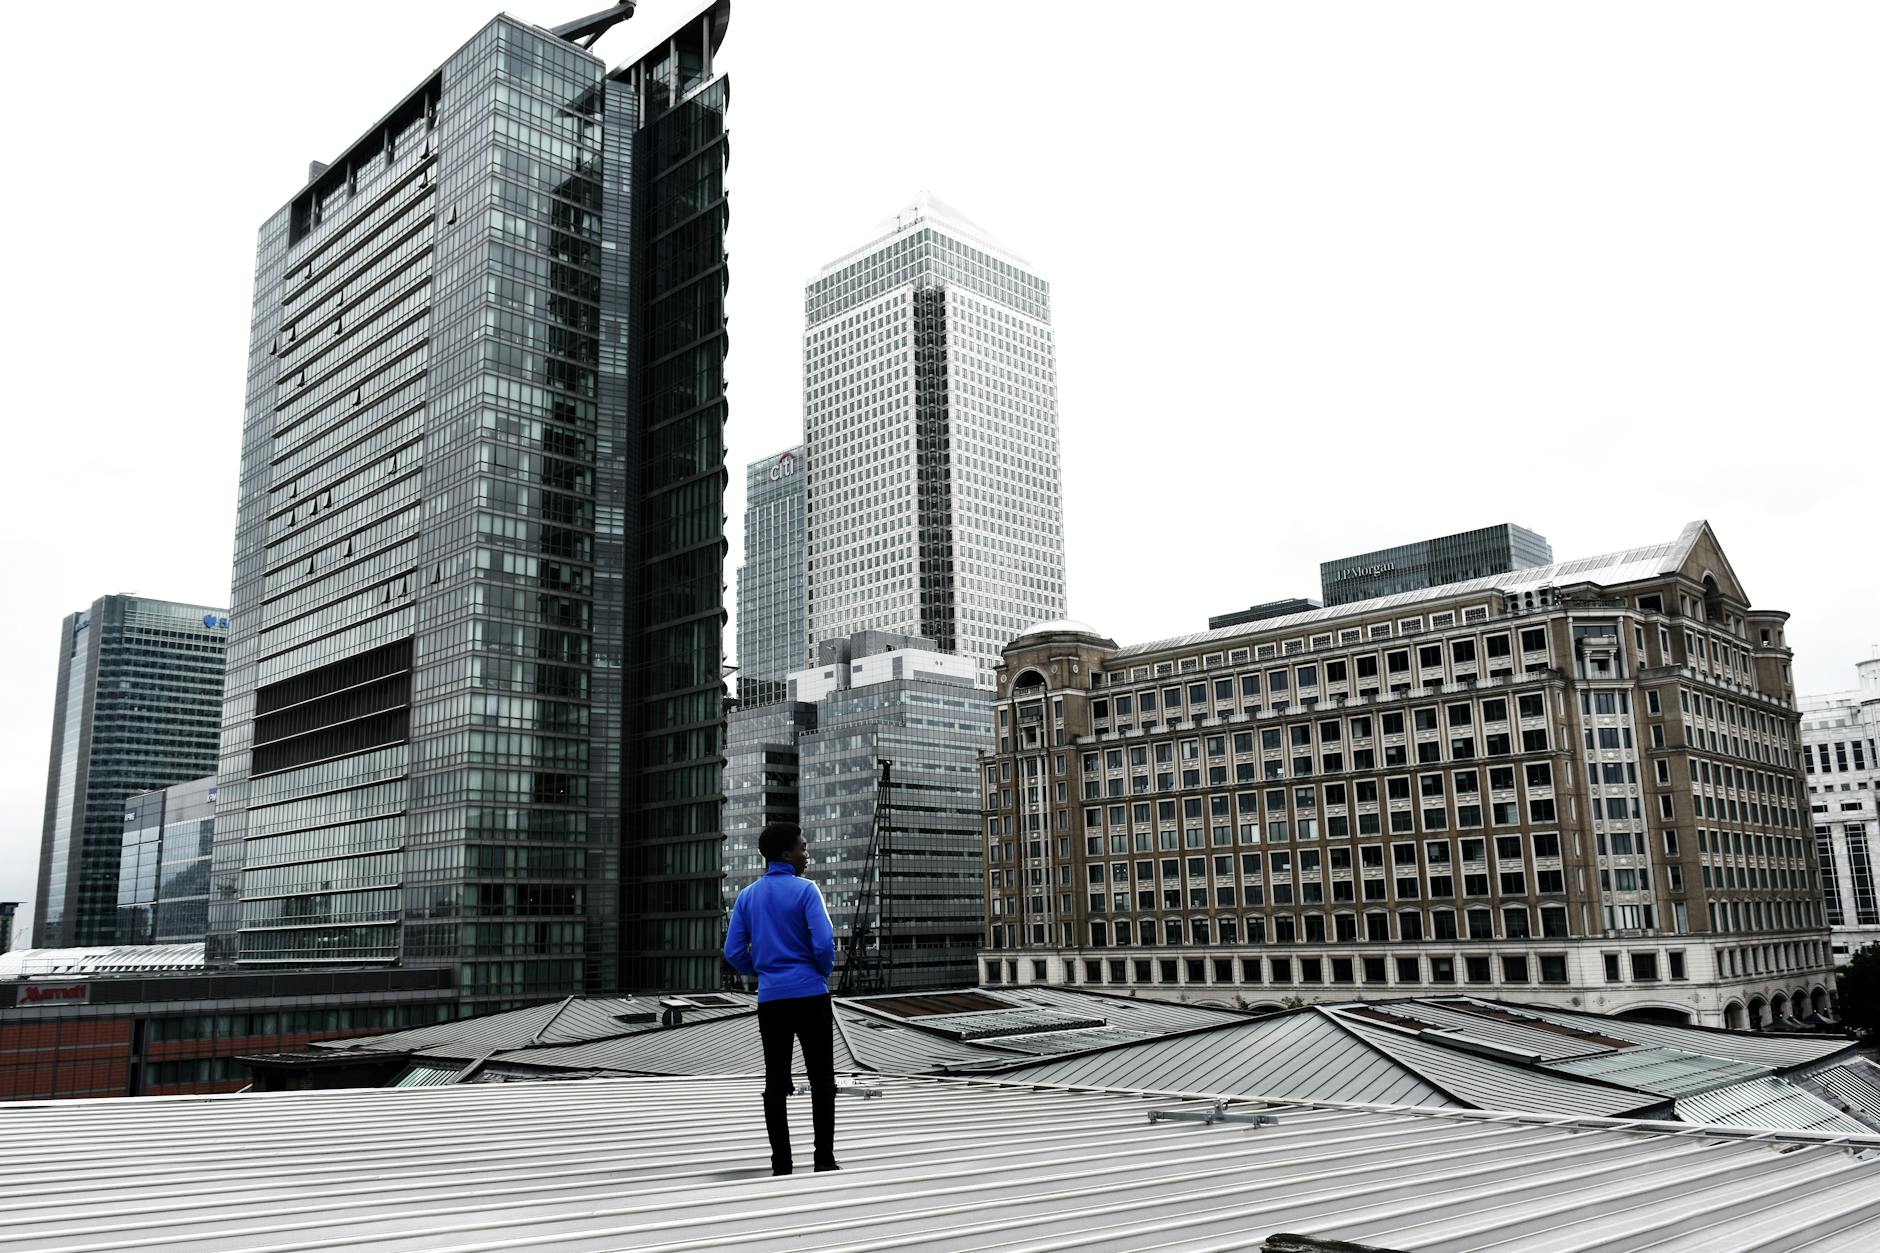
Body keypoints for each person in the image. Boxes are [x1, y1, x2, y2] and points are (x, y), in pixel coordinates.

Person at [723, 822, 838, 1175]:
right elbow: (823, 943)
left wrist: (763, 970)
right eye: (803, 847)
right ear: (787, 853)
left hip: (771, 1000)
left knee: (776, 1082)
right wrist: (819, 972)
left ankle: (781, 1164)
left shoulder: (747, 896)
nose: (807, 854)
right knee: (822, 1080)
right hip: (810, 995)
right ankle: (823, 1160)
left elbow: (732, 951)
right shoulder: (806, 890)